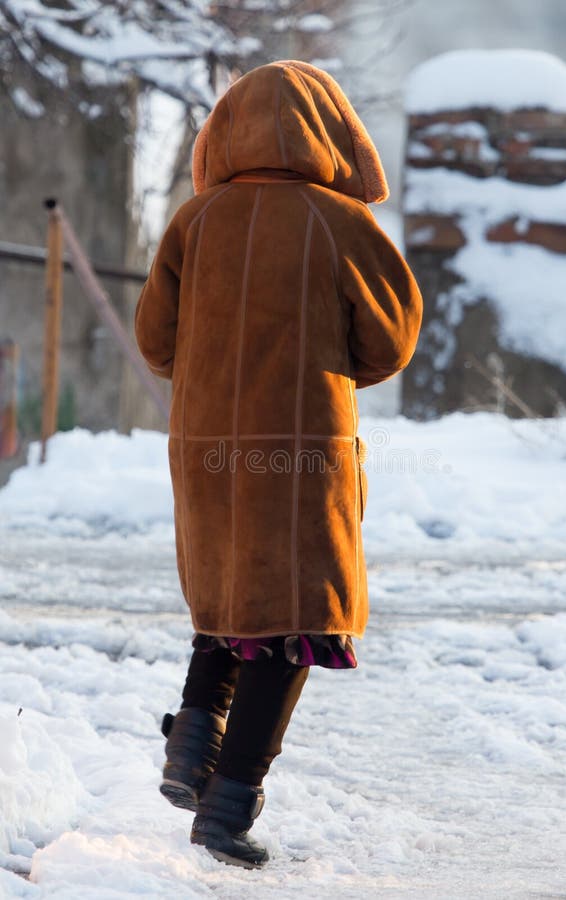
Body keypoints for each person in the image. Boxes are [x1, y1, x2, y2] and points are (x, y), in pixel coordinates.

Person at [134, 59, 423, 870]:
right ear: (334, 131)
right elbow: (389, 342)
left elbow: (157, 345)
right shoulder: (340, 221)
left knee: (231, 599)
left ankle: (190, 754)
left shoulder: (195, 220)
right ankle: (227, 809)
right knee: (294, 621)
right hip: (298, 452)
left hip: (206, 450)